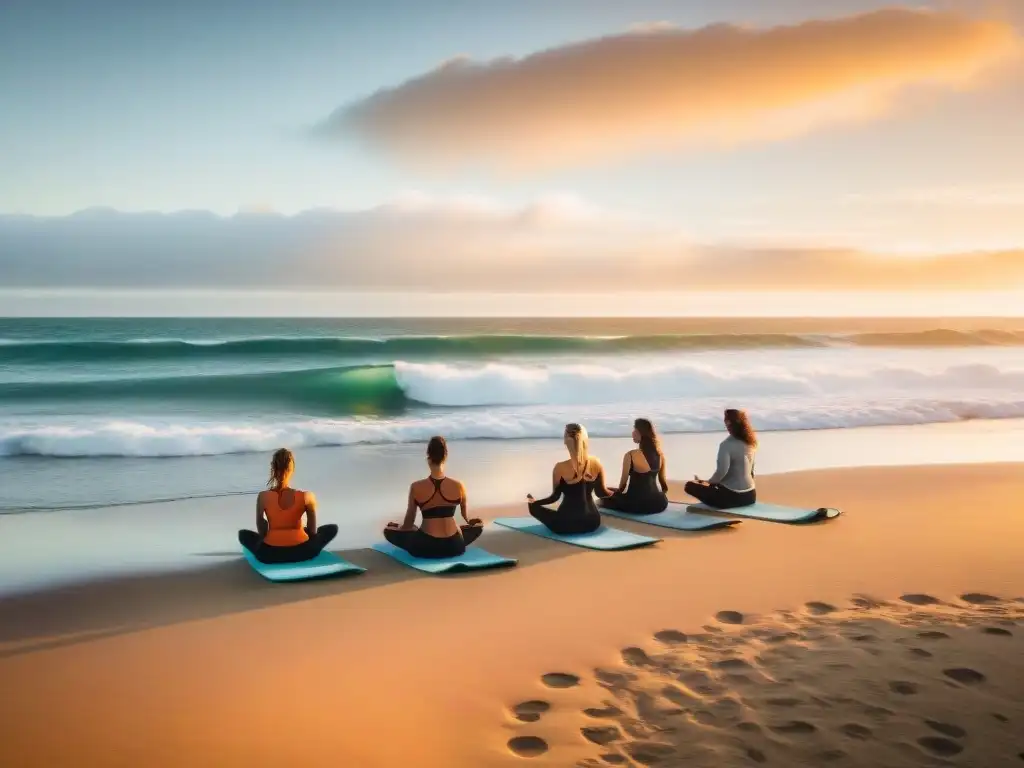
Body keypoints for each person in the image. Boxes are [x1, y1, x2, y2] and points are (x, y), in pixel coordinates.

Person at [384, 436, 483, 559]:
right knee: (477, 527)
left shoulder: (416, 486)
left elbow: (408, 523)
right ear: (445, 457)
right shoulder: (458, 485)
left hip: (427, 546)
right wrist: (473, 523)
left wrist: (398, 528)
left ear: (428, 458)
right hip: (455, 546)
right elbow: (466, 517)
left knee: (389, 530)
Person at [239, 448, 338, 563]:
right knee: (331, 528)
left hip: (269, 555)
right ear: (292, 469)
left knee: (243, 534)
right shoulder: (307, 496)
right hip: (304, 552)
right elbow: (312, 531)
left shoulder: (263, 497)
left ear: (273, 468)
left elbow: (262, 533)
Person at [527, 423, 613, 534]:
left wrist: (536, 502)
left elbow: (554, 497)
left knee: (533, 508)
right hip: (593, 522)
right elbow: (601, 492)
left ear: (565, 440)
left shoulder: (560, 468)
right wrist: (615, 492)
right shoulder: (596, 463)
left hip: (567, 523)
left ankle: (532, 503)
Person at [685, 409, 758, 509]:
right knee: (715, 485)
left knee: (689, 486)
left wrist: (708, 483)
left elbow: (721, 472)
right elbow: (751, 472)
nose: (727, 426)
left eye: (728, 423)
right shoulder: (751, 442)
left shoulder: (726, 445)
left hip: (732, 498)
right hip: (750, 496)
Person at [599, 418, 669, 515]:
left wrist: (613, 495)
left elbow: (622, 487)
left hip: (637, 504)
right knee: (610, 490)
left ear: (640, 432)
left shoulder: (631, 455)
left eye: (634, 429)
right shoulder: (660, 455)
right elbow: (664, 486)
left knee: (602, 498)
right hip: (660, 503)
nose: (632, 433)